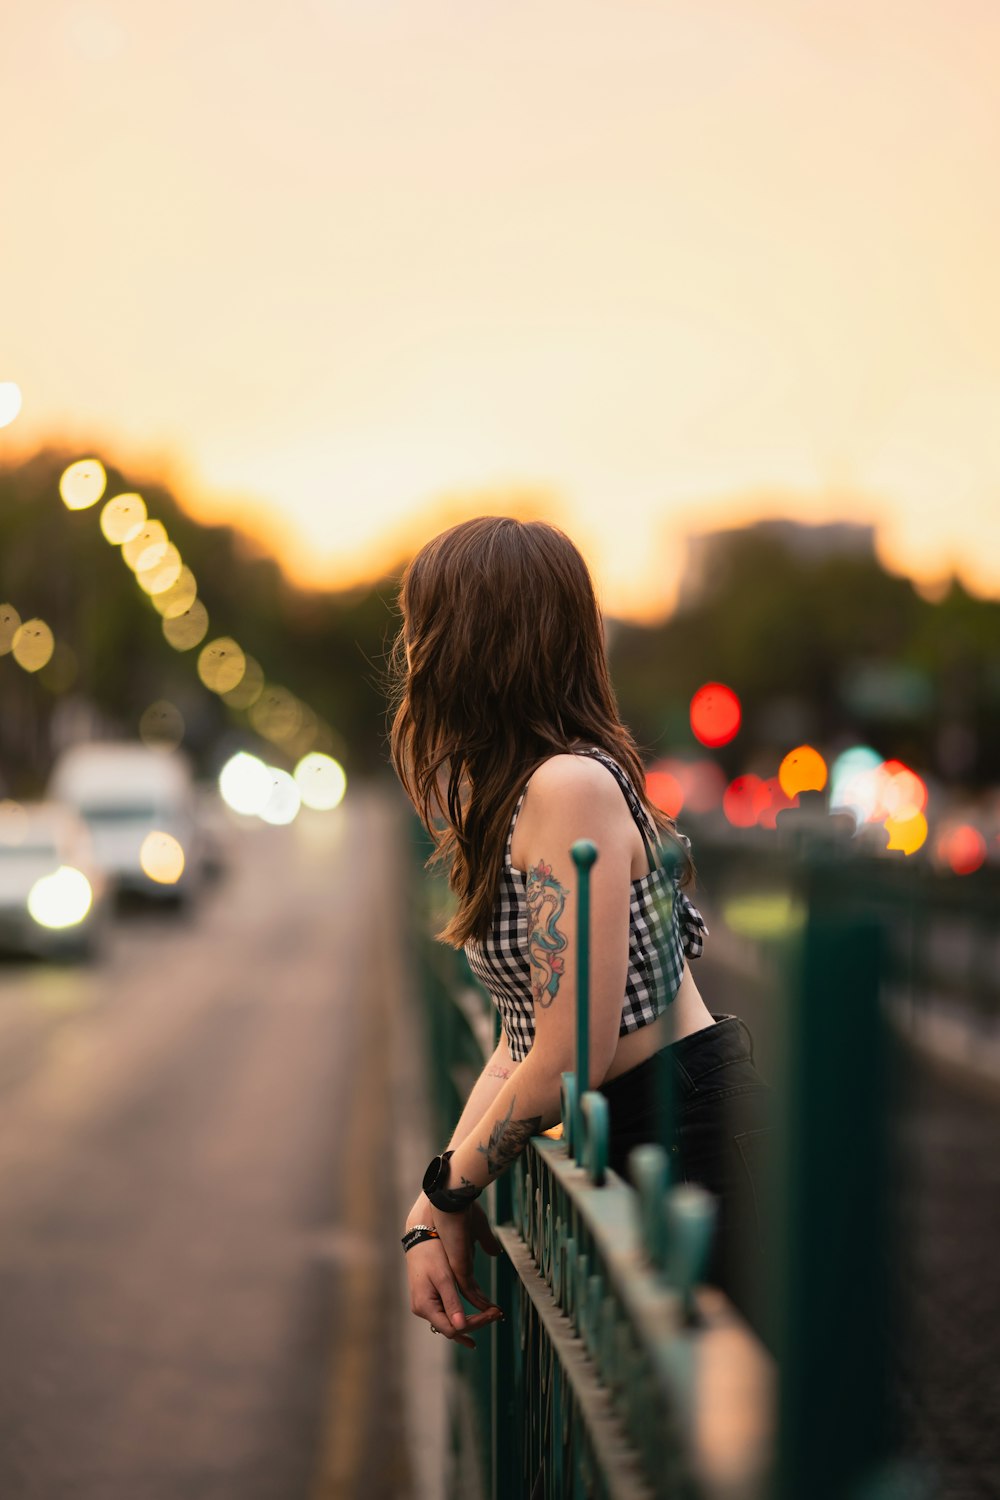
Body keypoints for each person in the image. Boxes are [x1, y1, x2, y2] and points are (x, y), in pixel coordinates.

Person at [390, 517, 773, 1349]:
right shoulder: (522, 790)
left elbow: (569, 1057)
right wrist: (434, 1205)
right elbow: (519, 1040)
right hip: (640, 1132)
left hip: (685, 1131)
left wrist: (454, 1189)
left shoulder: (569, 787)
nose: (411, 650)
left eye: (422, 625)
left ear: (471, 641)